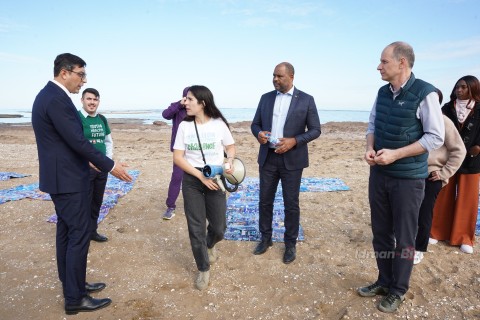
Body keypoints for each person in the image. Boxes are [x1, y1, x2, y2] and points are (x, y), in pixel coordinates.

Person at [31, 53, 132, 315]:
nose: (83, 81)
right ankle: (75, 298)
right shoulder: (55, 98)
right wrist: (110, 165)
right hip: (67, 179)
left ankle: (73, 284)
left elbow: (66, 142)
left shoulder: (50, 96)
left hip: (62, 176)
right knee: (79, 234)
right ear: (65, 73)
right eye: (81, 74)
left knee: (66, 232)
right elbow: (77, 140)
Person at [358, 42, 444, 313]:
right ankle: (384, 280)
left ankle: (398, 289)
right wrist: (370, 148)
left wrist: (396, 155)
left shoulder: (425, 93)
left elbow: (435, 137)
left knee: (405, 237)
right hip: (379, 176)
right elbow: (372, 125)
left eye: (384, 61)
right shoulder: (383, 92)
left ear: (402, 63)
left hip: (408, 180)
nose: (379, 66)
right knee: (381, 233)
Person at [251, 62, 321, 264]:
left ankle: (290, 243)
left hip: (293, 159)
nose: (275, 79)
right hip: (268, 157)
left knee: (291, 204)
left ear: (291, 77)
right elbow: (255, 124)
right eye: (273, 75)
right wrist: (259, 134)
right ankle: (265, 238)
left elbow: (315, 130)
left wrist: (294, 141)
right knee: (265, 200)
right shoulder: (265, 98)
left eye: (279, 76)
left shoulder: (306, 100)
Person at [172, 85, 235, 290]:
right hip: (192, 179)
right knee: (196, 227)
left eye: (190, 99)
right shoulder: (184, 126)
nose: (185, 103)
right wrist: (199, 176)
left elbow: (230, 147)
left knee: (219, 227)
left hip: (215, 177)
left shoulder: (219, 124)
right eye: (185, 99)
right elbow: (178, 158)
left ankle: (210, 244)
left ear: (202, 103)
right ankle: (203, 268)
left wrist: (230, 160)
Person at [414, 89, 466, 264]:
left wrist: (444, 173)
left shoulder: (443, 122)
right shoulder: (413, 120)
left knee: (424, 211)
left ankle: (419, 248)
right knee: (405, 209)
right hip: (410, 172)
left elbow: (459, 150)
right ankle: (405, 241)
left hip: (431, 174)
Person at [430, 75, 480, 254]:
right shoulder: (446, 108)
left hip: (472, 161)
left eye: (464, 87)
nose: (459, 90)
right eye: (458, 87)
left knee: (468, 199)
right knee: (442, 194)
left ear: (473, 89)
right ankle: (437, 231)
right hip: (448, 159)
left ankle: (464, 236)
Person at [79, 88, 113, 242]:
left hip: (102, 169)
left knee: (96, 202)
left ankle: (92, 231)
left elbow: (108, 142)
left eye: (95, 99)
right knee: (83, 202)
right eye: (89, 99)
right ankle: (81, 233)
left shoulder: (102, 119)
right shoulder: (77, 118)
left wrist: (107, 162)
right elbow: (74, 143)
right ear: (82, 100)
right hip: (84, 168)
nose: (92, 102)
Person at [161, 87, 189, 220]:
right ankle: (170, 206)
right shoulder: (177, 107)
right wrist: (179, 104)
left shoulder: (198, 108)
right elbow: (165, 115)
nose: (189, 100)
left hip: (196, 149)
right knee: (177, 177)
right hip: (180, 149)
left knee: (199, 176)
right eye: (187, 97)